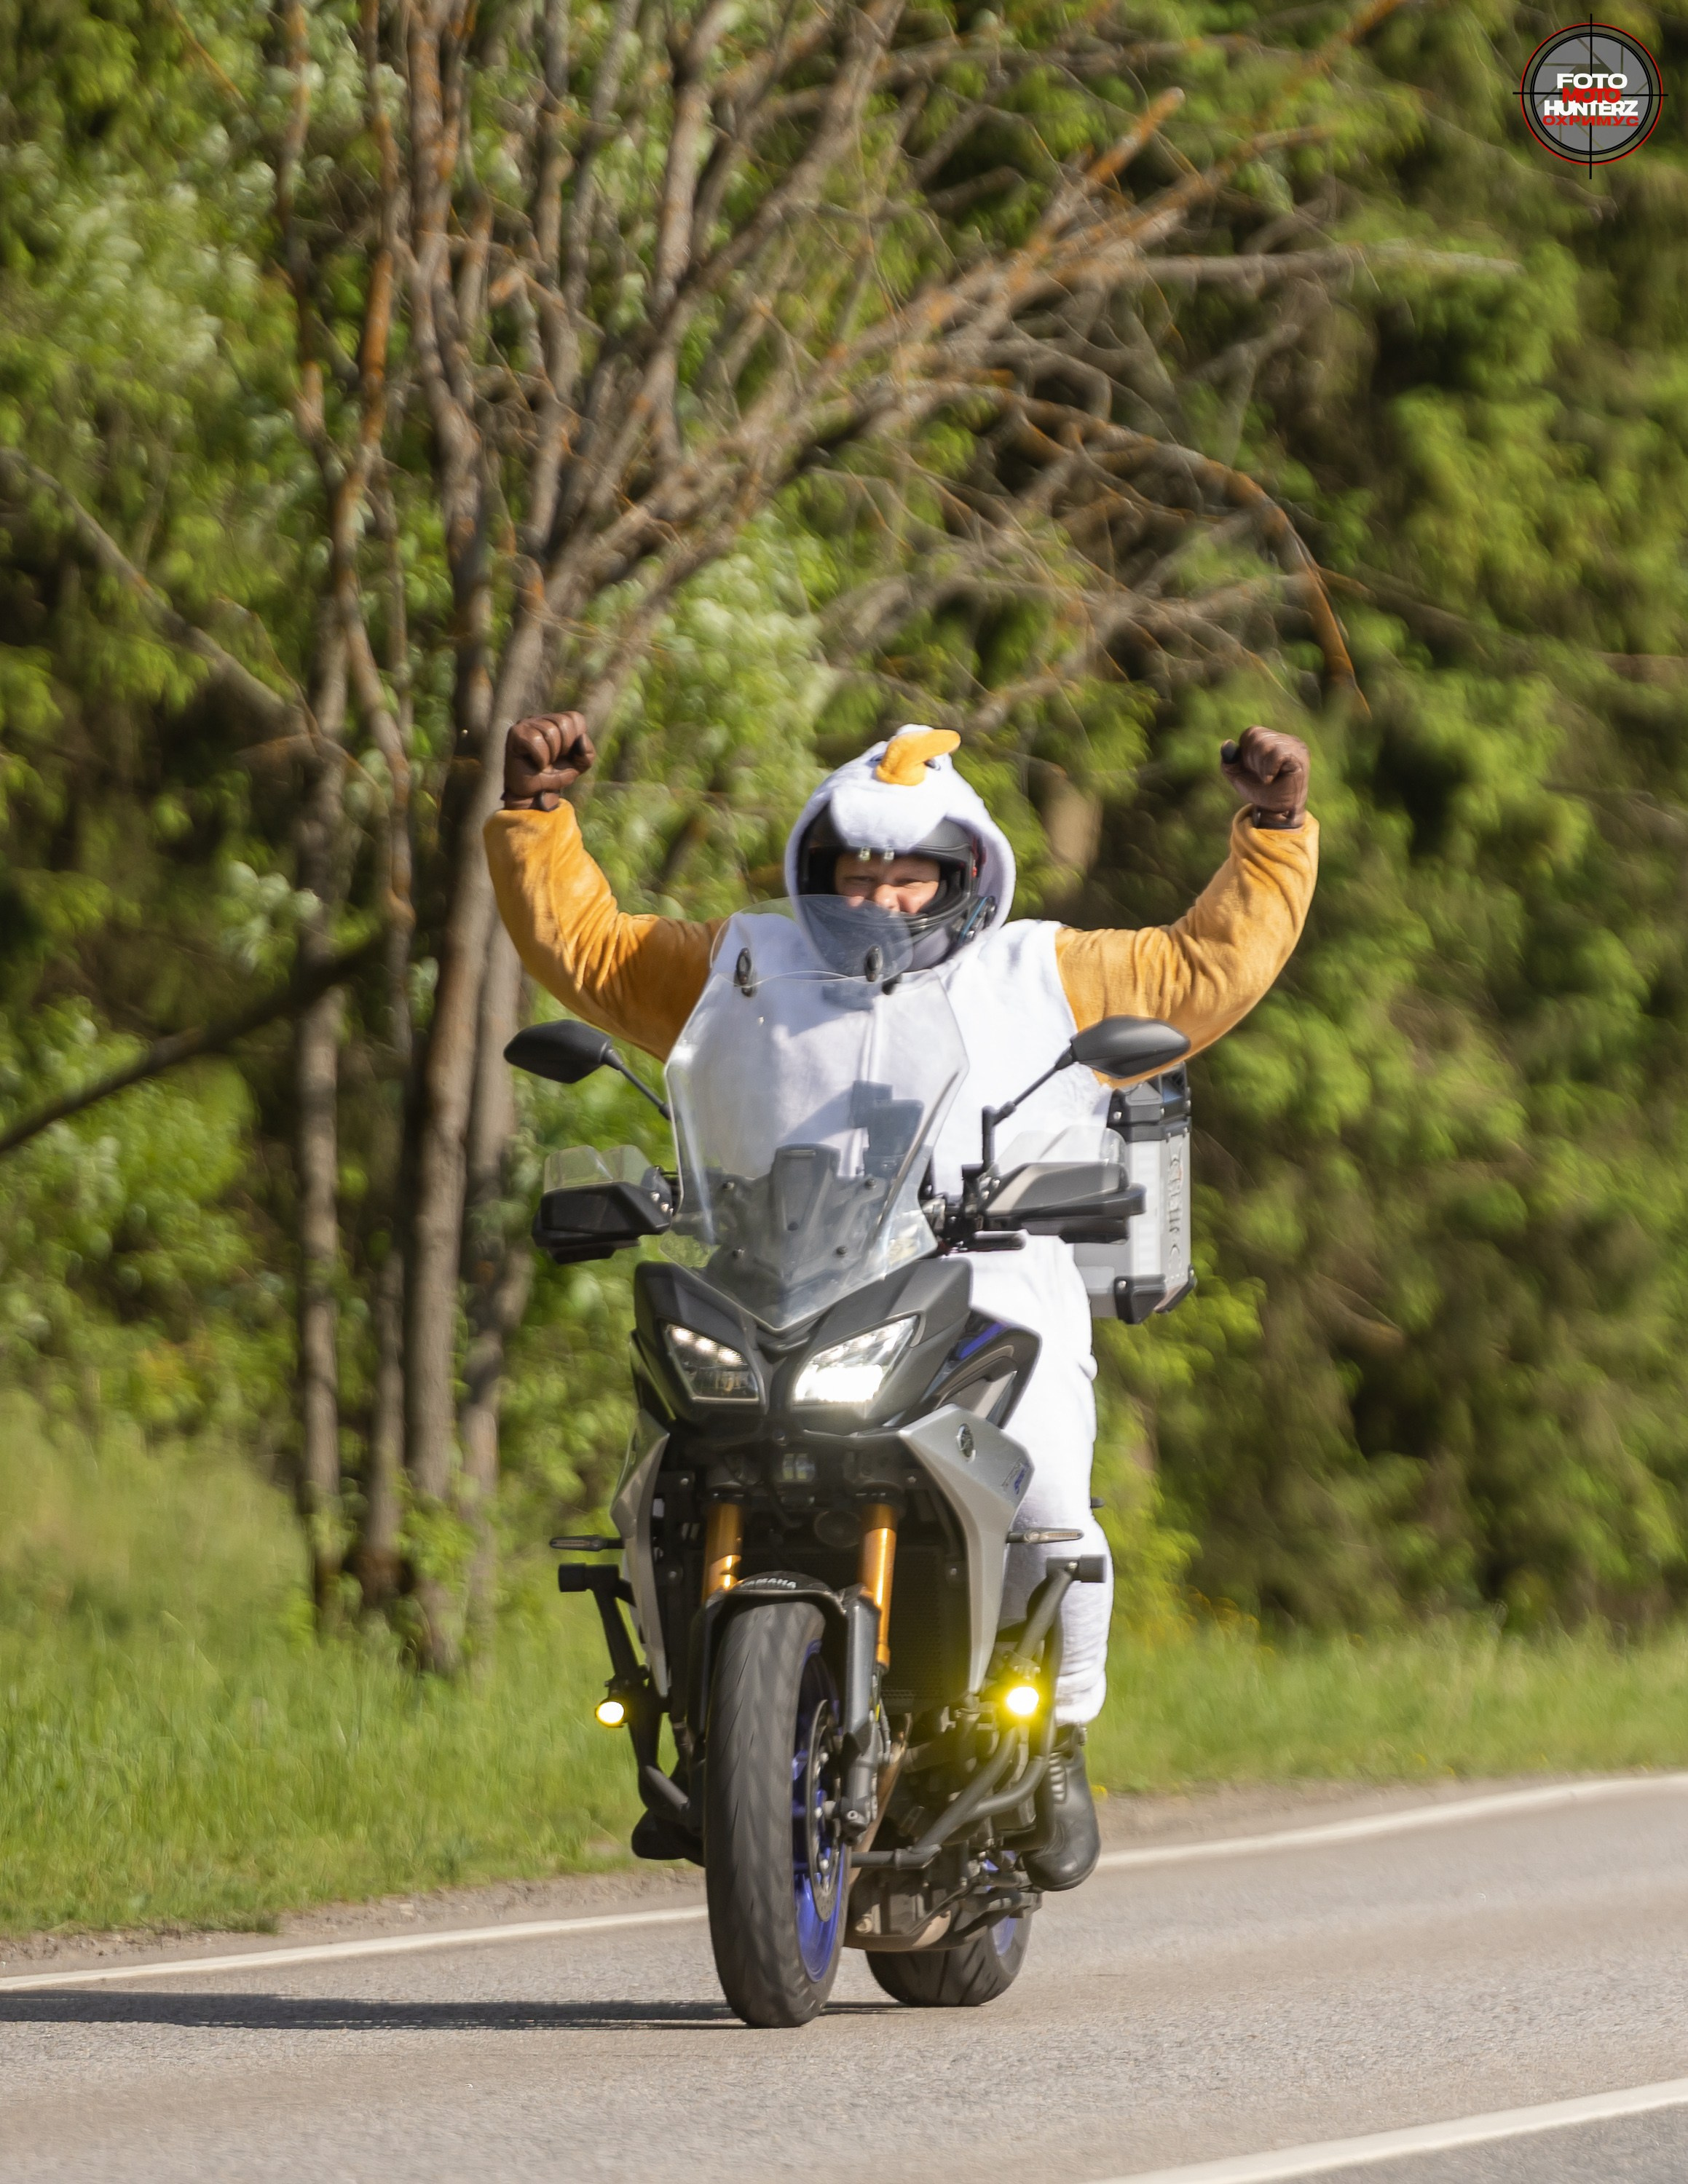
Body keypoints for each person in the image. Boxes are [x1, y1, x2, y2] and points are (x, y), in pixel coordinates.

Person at [486, 714, 1317, 1887]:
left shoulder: (1043, 969)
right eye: (855, 871)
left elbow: (1199, 972)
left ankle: (1060, 1733)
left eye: (906, 872)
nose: (877, 895)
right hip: (781, 1283)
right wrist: (537, 819)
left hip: (994, 1288)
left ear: (963, 873)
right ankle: (704, 1713)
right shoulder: (744, 961)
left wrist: (1273, 831)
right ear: (813, 870)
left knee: (1052, 1500)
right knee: (656, 1489)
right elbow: (594, 955)